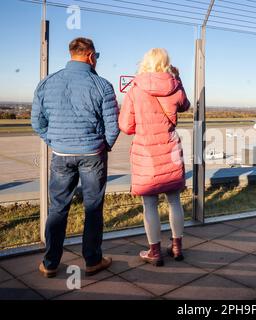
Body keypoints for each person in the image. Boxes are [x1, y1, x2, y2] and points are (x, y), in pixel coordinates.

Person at [32, 37, 120, 277]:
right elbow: (113, 126)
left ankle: (50, 263)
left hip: (61, 154)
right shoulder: (102, 85)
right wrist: (104, 147)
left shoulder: (46, 83)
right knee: (93, 207)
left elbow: (36, 122)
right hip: (93, 154)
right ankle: (92, 260)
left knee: (58, 208)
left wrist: (55, 141)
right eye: (96, 57)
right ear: (91, 56)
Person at [119, 48, 190, 266]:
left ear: (145, 63)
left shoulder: (135, 89)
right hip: (169, 149)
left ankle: (155, 252)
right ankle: (177, 247)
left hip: (146, 152)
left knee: (149, 203)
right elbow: (186, 106)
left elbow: (125, 126)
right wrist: (177, 78)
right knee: (174, 200)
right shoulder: (175, 86)